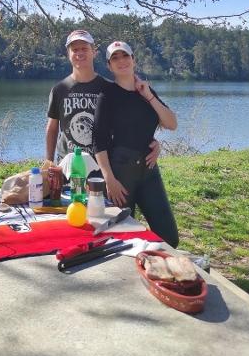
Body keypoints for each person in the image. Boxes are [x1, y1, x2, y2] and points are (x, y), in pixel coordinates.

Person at [93, 40, 179, 247]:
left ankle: (157, 267)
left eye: (125, 56)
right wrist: (109, 179)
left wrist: (148, 95)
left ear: (134, 60)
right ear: (109, 66)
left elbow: (171, 123)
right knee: (119, 237)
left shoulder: (146, 92)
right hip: (121, 174)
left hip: (149, 172)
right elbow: (99, 139)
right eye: (115, 58)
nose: (121, 61)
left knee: (169, 238)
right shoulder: (107, 95)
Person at [46, 30, 159, 167]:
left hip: (104, 165)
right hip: (68, 164)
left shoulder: (109, 88)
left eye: (84, 48)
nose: (79, 53)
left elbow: (132, 123)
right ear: (68, 54)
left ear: (94, 52)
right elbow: (52, 128)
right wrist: (49, 161)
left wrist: (152, 142)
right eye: (75, 50)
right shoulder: (59, 89)